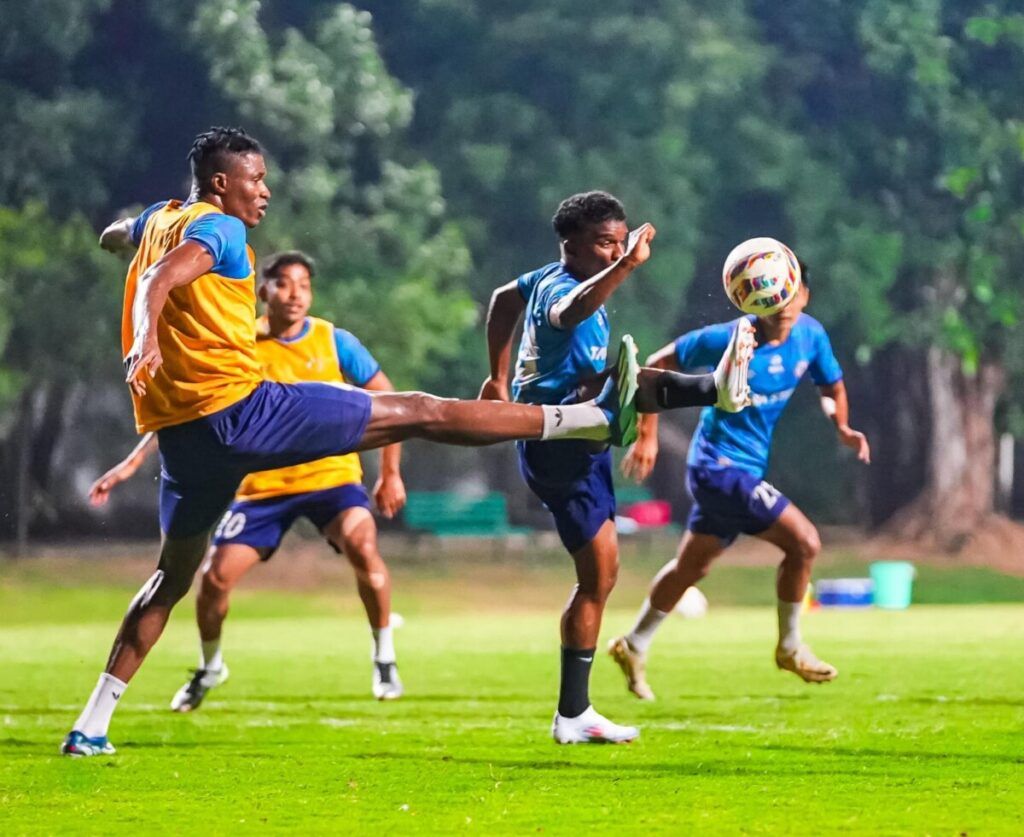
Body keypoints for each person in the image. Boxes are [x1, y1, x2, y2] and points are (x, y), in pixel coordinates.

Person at [62, 127, 711, 757]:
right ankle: (585, 419)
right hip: (243, 411)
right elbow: (161, 277)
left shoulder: (160, 218)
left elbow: (121, 235)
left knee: (170, 578)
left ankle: (91, 724)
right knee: (419, 410)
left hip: (186, 440)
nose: (264, 191)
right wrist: (144, 336)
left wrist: (123, 240)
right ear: (220, 183)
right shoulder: (220, 229)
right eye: (255, 179)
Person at [481, 191, 755, 744]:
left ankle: (574, 714)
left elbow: (502, 298)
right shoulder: (561, 287)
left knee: (601, 578)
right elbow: (571, 311)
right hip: (558, 437)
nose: (613, 253)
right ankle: (713, 388)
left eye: (619, 244)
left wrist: (497, 374)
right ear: (571, 244)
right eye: (604, 244)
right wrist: (627, 265)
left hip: (581, 438)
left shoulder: (538, 279)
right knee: (620, 383)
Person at [88, 249, 408, 708]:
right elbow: (196, 410)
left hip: (331, 479)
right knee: (214, 579)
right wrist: (133, 462)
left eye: (304, 285)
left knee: (363, 546)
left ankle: (384, 658)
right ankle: (210, 667)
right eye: (284, 284)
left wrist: (390, 473)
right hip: (263, 488)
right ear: (263, 291)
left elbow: (392, 402)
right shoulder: (240, 343)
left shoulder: (334, 341)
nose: (295, 294)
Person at [608, 264, 871, 701]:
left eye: (791, 292)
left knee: (691, 568)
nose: (782, 303)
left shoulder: (811, 336)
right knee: (805, 542)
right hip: (717, 466)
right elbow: (654, 366)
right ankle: (790, 647)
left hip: (746, 468)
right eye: (772, 294)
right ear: (752, 298)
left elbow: (832, 386)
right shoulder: (728, 338)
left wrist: (841, 425)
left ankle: (634, 643)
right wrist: (647, 435)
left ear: (804, 295)